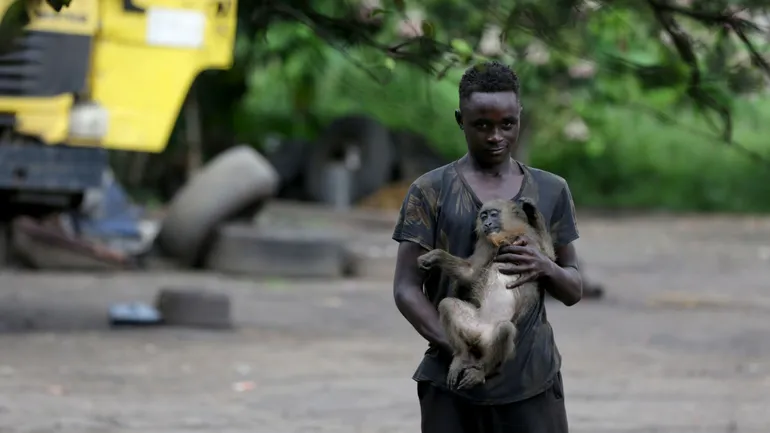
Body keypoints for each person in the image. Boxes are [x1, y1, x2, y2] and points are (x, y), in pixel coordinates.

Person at [392, 61, 582, 433]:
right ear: (461, 119)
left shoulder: (550, 190)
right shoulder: (431, 191)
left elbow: (573, 288)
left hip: (531, 381)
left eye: (507, 124)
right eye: (482, 125)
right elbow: (405, 288)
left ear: (520, 118)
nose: (496, 136)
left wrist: (546, 266)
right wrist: (462, 348)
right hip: (453, 383)